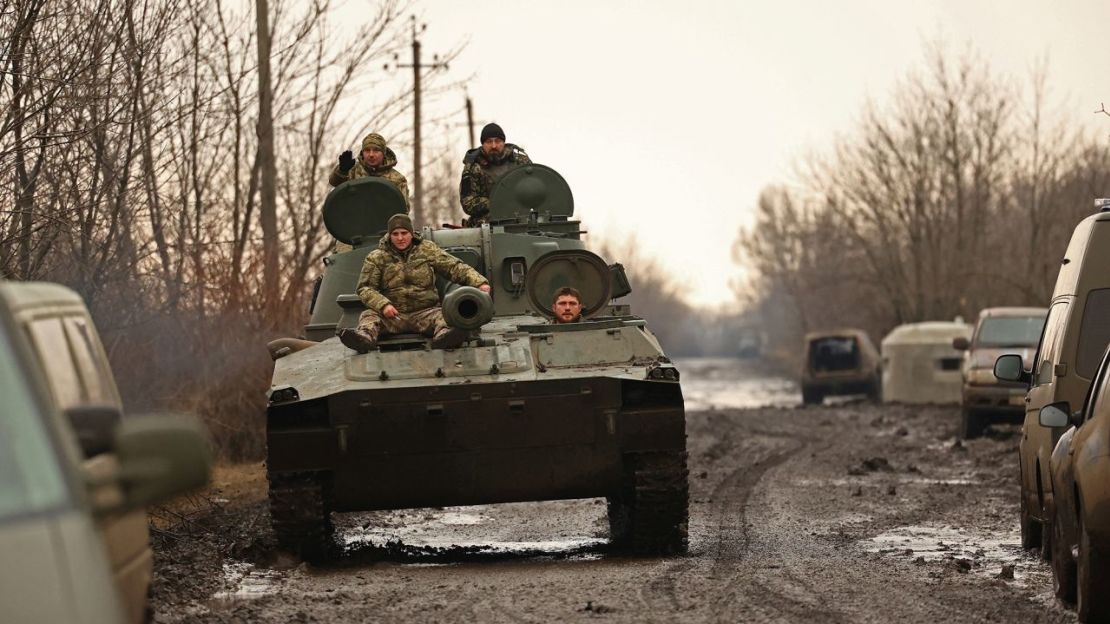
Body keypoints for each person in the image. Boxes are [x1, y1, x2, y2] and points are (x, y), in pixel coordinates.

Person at [336, 213, 491, 352]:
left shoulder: (426, 250)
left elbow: (454, 267)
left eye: (404, 233)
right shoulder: (377, 257)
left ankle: (445, 338)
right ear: (389, 235)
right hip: (392, 316)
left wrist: (479, 283)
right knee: (369, 317)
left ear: (411, 233)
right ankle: (364, 340)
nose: (400, 238)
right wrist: (383, 305)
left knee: (445, 316)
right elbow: (365, 288)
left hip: (425, 313)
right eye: (395, 234)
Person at [459, 122, 532, 226]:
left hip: (521, 220)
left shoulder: (520, 162)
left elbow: (534, 188)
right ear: (483, 144)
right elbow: (468, 203)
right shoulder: (473, 168)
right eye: (489, 142)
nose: (494, 145)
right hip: (488, 225)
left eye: (497, 141)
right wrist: (497, 202)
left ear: (503, 142)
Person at [330, 132, 411, 208]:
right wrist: (342, 170)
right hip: (353, 220)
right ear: (363, 152)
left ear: (383, 153)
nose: (371, 154)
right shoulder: (352, 171)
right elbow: (334, 183)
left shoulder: (397, 179)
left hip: (384, 222)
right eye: (367, 150)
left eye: (376, 150)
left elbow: (403, 210)